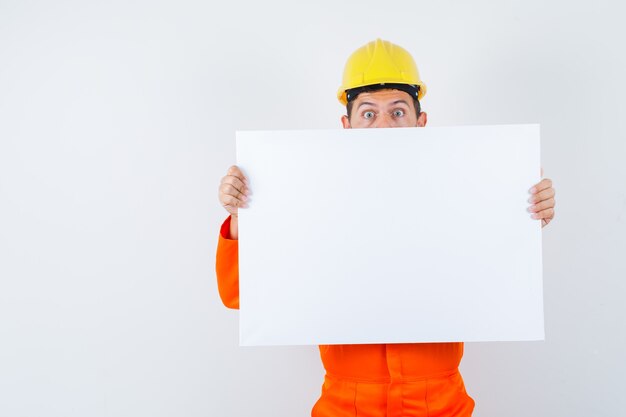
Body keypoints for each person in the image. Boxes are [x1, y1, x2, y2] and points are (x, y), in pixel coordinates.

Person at [215, 38, 556, 417]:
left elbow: (497, 279)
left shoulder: (462, 192)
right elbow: (239, 296)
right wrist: (244, 219)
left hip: (442, 404)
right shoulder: (311, 201)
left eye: (397, 112)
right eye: (367, 114)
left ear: (420, 122)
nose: (382, 126)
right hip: (345, 405)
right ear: (347, 126)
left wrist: (521, 214)